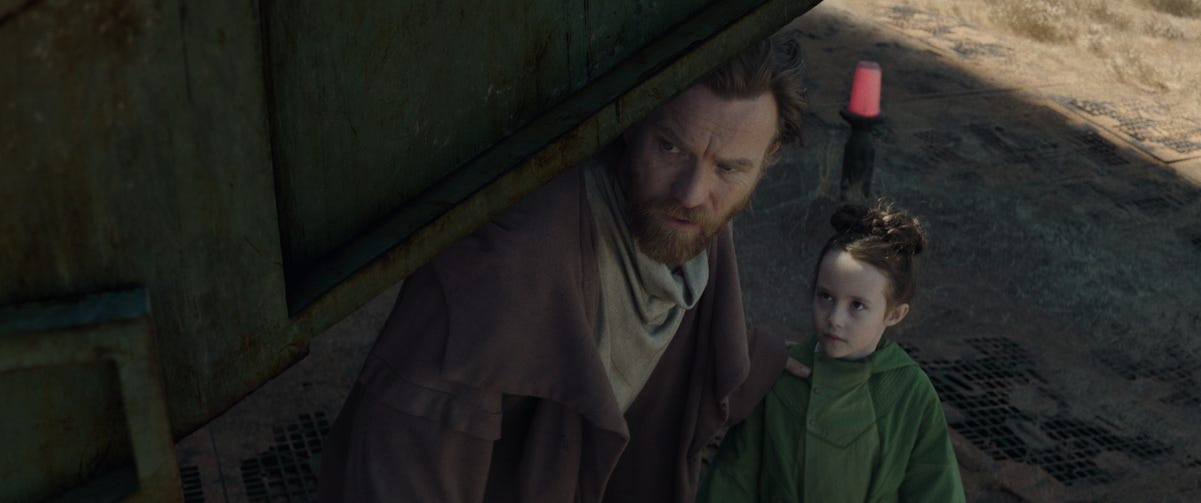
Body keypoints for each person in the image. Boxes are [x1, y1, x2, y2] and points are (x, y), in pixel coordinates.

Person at [317, 31, 810, 503]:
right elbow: (405, 453)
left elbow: (682, 326)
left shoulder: (690, 222)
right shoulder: (503, 274)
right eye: (671, 147)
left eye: (729, 168)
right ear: (632, 120)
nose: (692, 192)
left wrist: (761, 359)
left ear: (768, 158)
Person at [698, 200, 966, 503]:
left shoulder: (909, 391)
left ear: (894, 314)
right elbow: (735, 477)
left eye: (857, 305)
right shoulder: (781, 374)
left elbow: (937, 489)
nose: (835, 319)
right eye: (825, 296)